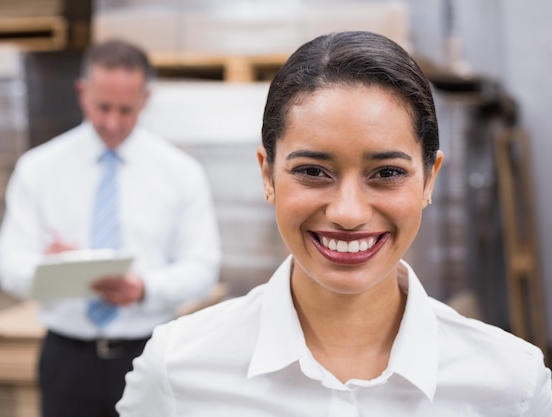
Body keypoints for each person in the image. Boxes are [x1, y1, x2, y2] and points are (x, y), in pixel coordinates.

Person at [116, 31, 552, 416]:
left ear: (429, 179)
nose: (348, 213)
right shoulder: (178, 371)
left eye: (386, 173)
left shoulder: (512, 386)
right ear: (267, 175)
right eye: (312, 171)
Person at [0, 39, 222, 417]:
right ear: (83, 92)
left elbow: (202, 268)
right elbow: (7, 266)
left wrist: (144, 288)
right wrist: (52, 272)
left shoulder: (181, 174)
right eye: (103, 107)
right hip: (68, 361)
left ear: (146, 99)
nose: (113, 122)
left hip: (150, 353)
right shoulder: (38, 169)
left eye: (126, 110)